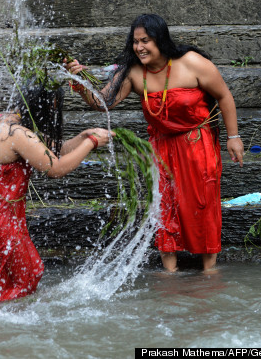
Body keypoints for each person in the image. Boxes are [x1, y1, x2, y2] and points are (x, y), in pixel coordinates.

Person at [66, 14, 244, 272]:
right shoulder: (134, 72)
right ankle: (169, 274)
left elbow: (224, 96)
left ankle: (209, 271)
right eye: (135, 41)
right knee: (164, 205)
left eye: (145, 40)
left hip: (197, 144)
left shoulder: (192, 63)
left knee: (202, 203)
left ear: (160, 39)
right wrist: (81, 83)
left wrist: (234, 137)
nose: (139, 47)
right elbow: (102, 102)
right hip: (160, 148)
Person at [0, 84, 115, 303]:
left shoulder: (14, 124)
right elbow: (55, 168)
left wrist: (82, 137)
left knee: (23, 276)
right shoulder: (17, 133)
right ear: (48, 104)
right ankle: (0, 328)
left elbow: (51, 152)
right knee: (22, 279)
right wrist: (92, 142)